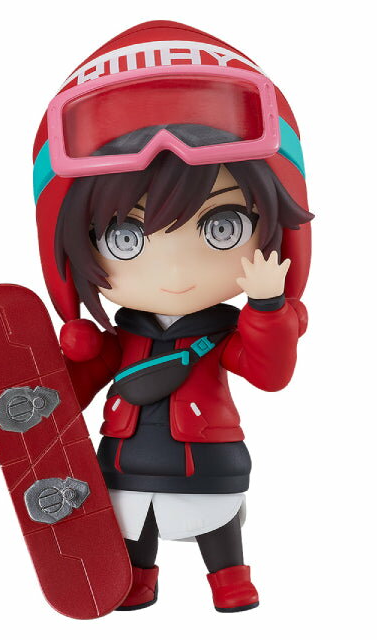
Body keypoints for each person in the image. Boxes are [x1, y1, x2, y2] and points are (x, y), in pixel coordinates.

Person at [33, 20, 313, 612]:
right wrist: (27, 408)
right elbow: (75, 388)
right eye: (126, 237)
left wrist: (267, 307)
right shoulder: (119, 339)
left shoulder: (224, 334)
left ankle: (229, 577)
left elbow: (270, 373)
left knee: (218, 517)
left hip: (206, 453)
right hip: (126, 458)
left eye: (222, 226)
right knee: (132, 519)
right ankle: (137, 576)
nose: (176, 269)